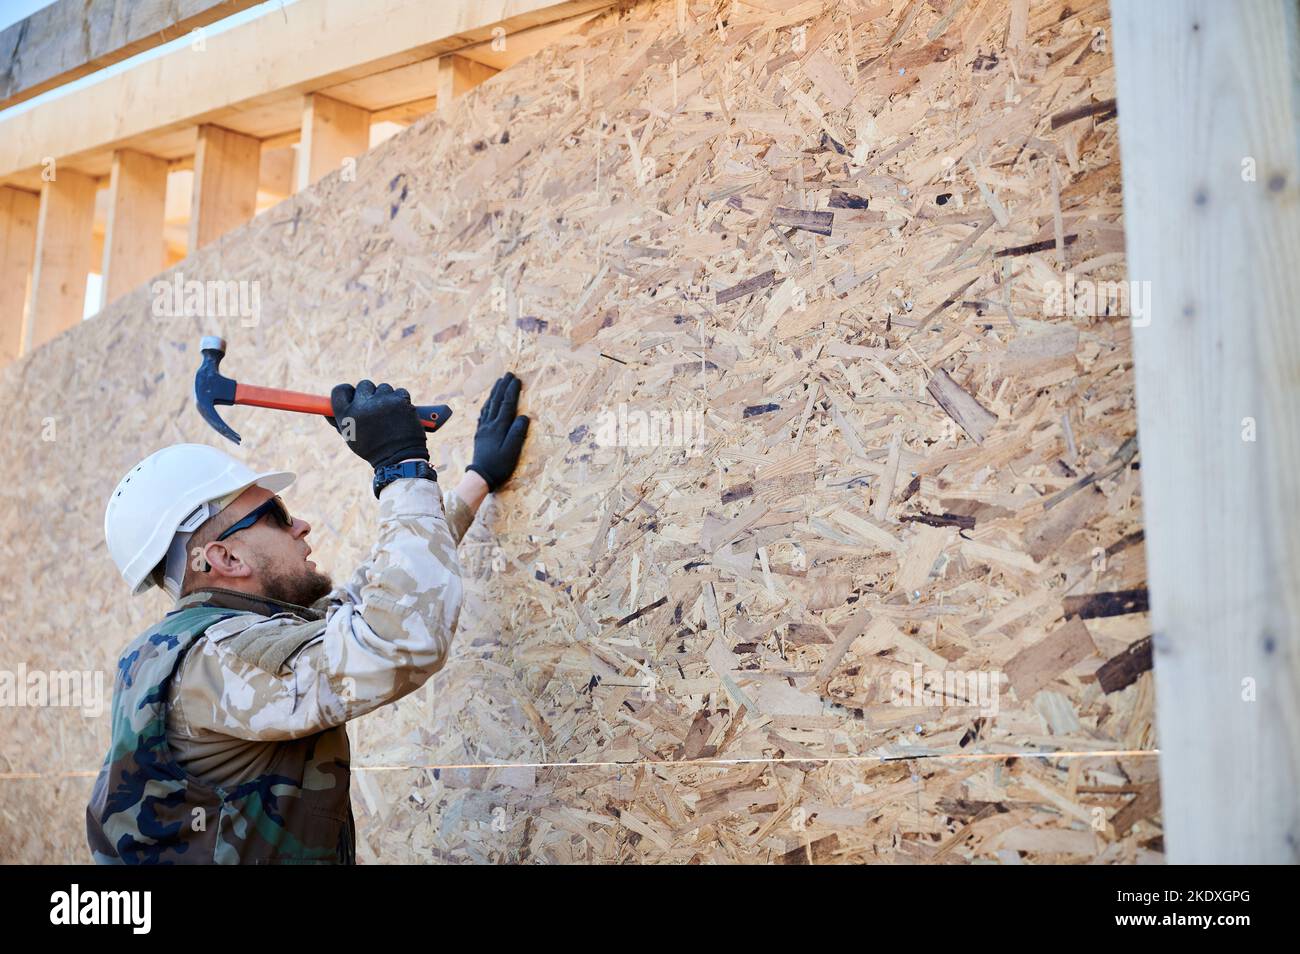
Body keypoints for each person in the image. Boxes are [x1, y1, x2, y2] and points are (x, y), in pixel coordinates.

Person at [87, 373, 529, 864]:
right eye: (276, 514)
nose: (301, 524)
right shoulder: (218, 662)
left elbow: (369, 601)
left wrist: (476, 479)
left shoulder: (206, 644)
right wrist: (401, 467)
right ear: (225, 559)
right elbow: (399, 635)